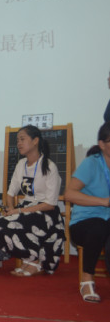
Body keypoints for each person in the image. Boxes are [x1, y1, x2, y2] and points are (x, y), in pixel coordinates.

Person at [0, 125, 65, 276]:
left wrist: (19, 211)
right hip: (25, 208)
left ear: (35, 141)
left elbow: (50, 204)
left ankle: (35, 261)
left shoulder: (49, 166)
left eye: (22, 139)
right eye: (17, 140)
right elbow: (10, 193)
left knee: (18, 221)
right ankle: (28, 258)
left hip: (46, 213)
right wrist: (10, 208)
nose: (19, 143)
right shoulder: (21, 165)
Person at [65, 122, 110, 303]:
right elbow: (69, 194)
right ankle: (87, 279)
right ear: (102, 144)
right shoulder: (91, 163)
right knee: (99, 227)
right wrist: (104, 202)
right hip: (84, 223)